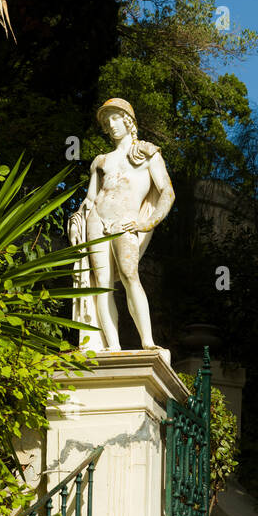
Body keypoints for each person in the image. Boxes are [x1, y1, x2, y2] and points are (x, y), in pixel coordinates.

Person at [69, 98, 175, 351]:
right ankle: (112, 346)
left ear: (129, 121)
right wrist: (76, 220)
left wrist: (147, 222)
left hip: (125, 222)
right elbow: (90, 200)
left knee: (130, 276)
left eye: (116, 118)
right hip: (97, 221)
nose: (112, 124)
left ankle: (147, 342)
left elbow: (167, 193)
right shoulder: (100, 161)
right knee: (101, 285)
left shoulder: (148, 153)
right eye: (107, 121)